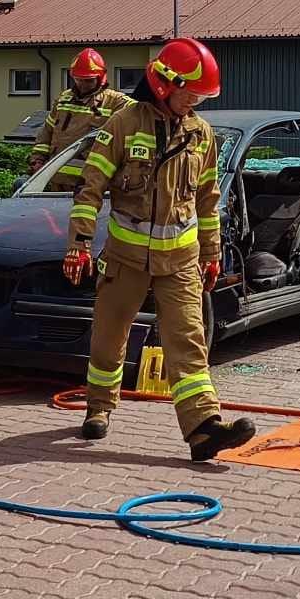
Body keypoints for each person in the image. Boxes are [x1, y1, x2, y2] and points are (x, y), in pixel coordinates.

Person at [62, 38, 253, 461]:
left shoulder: (201, 135)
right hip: (126, 258)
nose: (195, 102)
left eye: (201, 96)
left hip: (181, 261)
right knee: (109, 335)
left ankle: (203, 429)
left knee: (188, 341)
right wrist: (79, 244)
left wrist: (212, 253)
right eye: (190, 93)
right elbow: (89, 189)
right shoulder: (124, 124)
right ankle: (99, 407)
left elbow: (207, 201)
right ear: (165, 84)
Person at [28, 47, 132, 190]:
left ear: (100, 78)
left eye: (88, 81)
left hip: (89, 184)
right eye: (78, 80)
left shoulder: (115, 101)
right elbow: (47, 132)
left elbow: (141, 113)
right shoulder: (64, 99)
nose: (82, 85)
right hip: (56, 180)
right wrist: (38, 159)